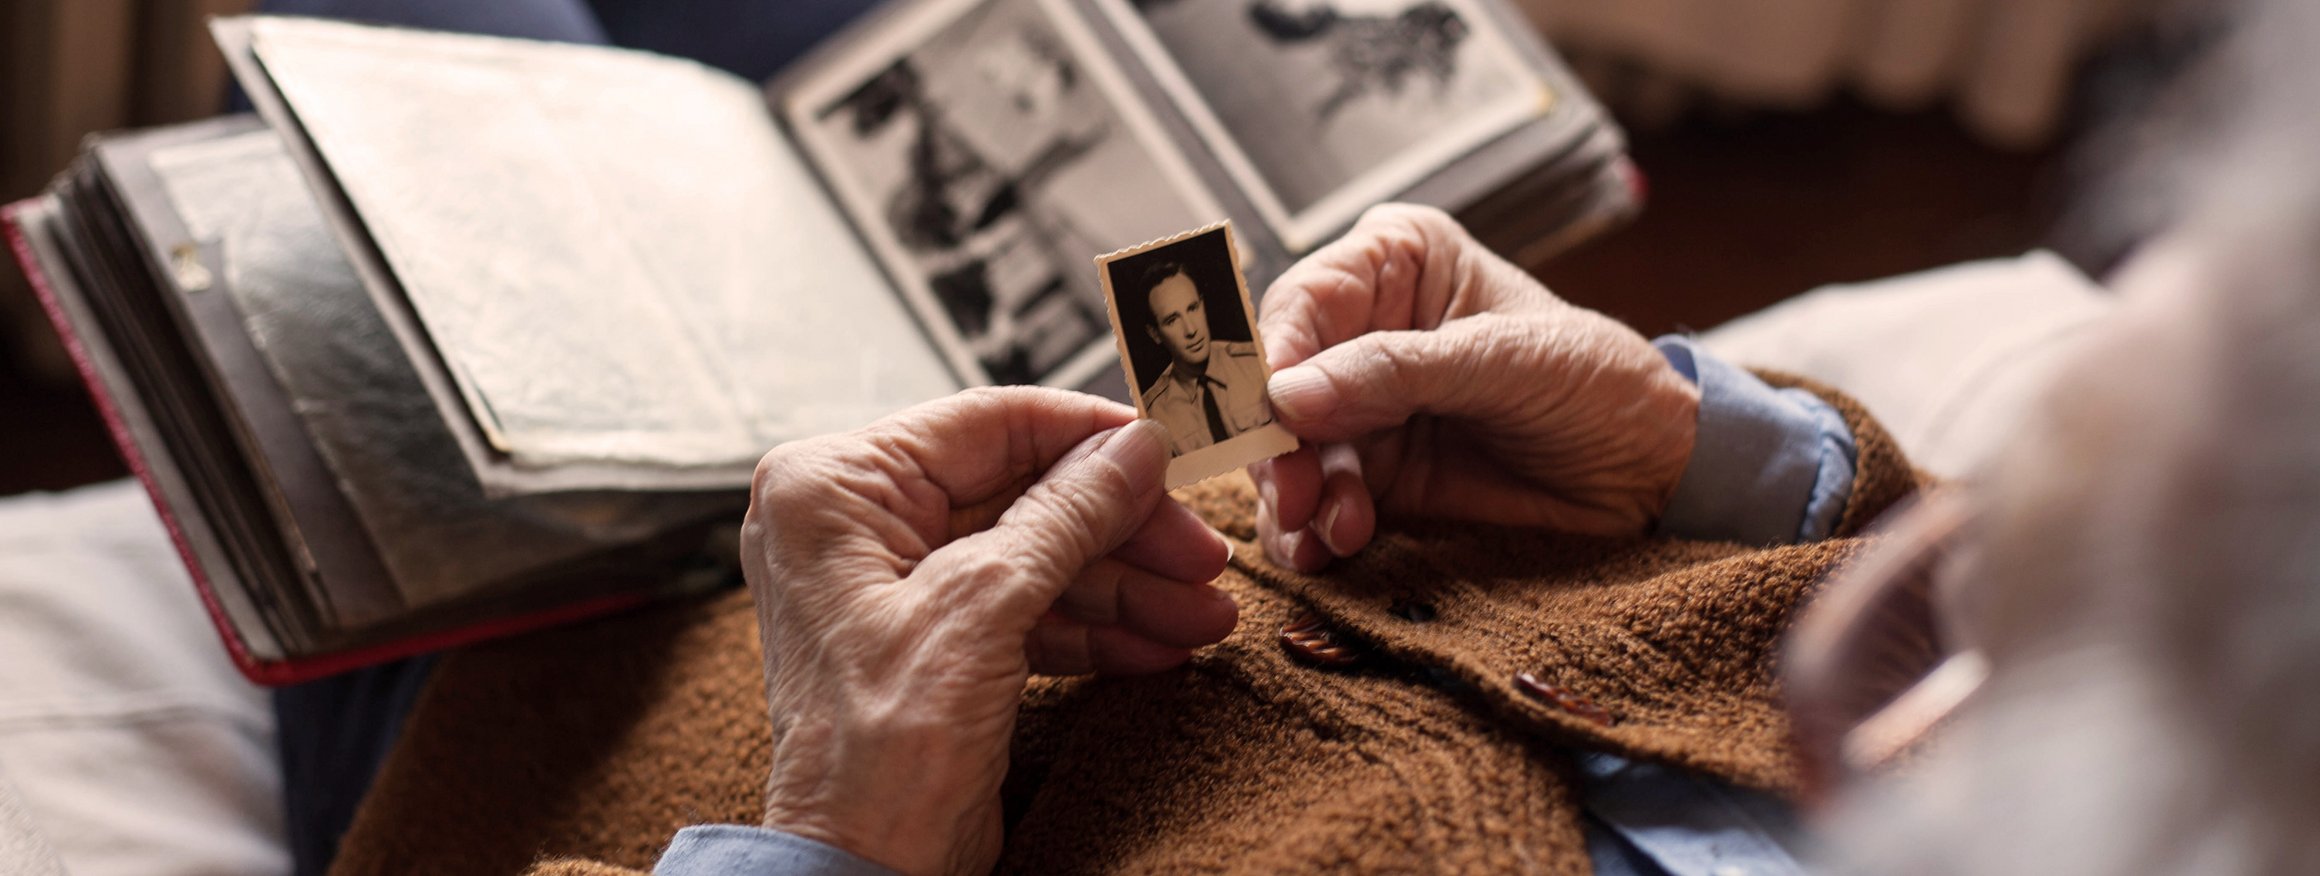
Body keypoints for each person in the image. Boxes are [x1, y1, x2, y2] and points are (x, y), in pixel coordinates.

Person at [1136, 260, 1276, 454]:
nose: (1191, 330)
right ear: (1155, 334)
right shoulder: (1153, 414)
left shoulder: (1257, 362)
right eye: (1172, 320)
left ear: (1203, 305)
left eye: (1192, 308)